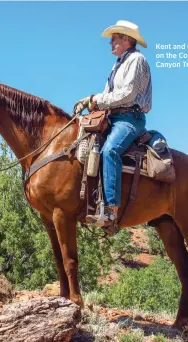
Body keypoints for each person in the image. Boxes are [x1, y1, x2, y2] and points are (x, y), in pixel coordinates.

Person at [73, 20, 152, 228]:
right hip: (113, 117)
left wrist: (95, 99)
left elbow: (127, 94)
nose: (110, 43)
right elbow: (109, 95)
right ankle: (91, 204)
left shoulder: (137, 60)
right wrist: (92, 102)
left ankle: (111, 211)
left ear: (126, 39)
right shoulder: (118, 64)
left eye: (113, 38)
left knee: (110, 150)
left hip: (129, 119)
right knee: (87, 146)